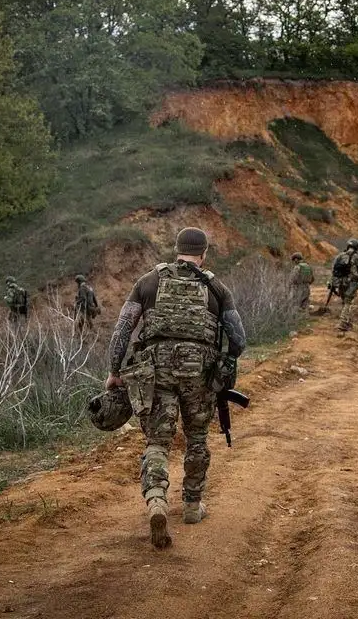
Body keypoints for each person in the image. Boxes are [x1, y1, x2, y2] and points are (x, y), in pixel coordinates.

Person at [105, 227, 247, 549]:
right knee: (196, 439)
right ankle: (193, 507)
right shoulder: (217, 289)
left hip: (155, 373)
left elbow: (122, 330)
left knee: (157, 441)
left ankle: (157, 502)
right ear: (204, 253)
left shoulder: (148, 282)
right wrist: (221, 363)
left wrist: (115, 372)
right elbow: (238, 340)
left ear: (176, 249)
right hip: (199, 375)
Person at [328, 238, 358, 331]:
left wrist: (333, 283)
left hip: (340, 282)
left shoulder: (339, 256)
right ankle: (343, 322)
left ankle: (347, 322)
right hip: (351, 283)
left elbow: (333, 271)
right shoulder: (357, 258)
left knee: (344, 301)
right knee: (348, 302)